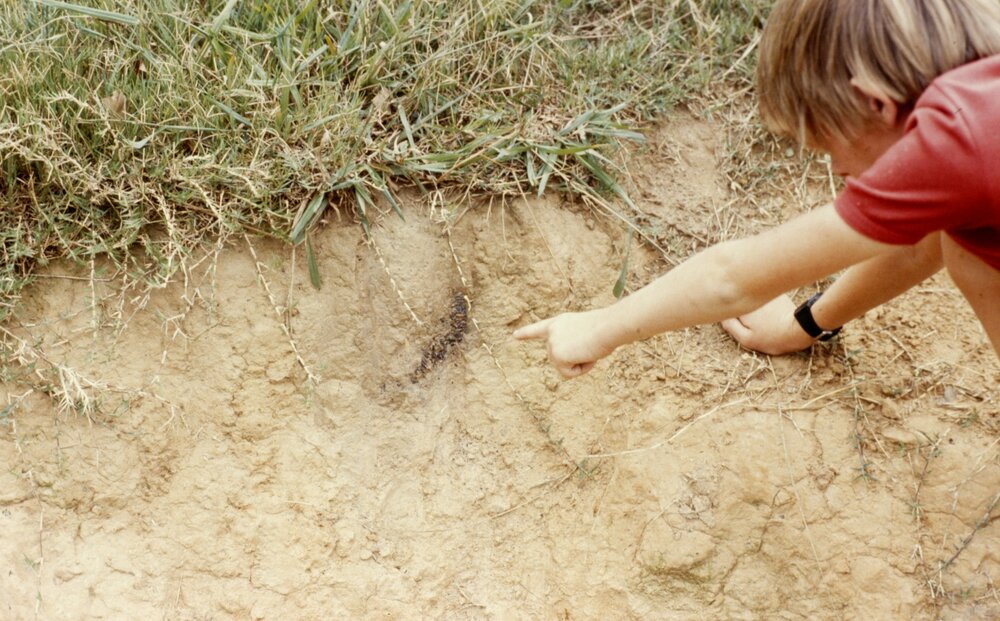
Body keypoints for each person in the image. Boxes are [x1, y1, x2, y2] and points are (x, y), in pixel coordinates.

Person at [514, 0, 1000, 379]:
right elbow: (920, 246)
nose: (840, 171)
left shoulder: (958, 141)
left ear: (875, 102)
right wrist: (803, 326)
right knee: (969, 245)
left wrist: (596, 330)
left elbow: (733, 280)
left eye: (830, 143)